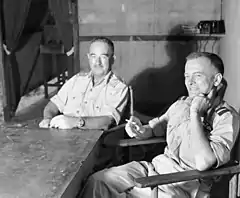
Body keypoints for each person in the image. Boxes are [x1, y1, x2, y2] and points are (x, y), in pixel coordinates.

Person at [80, 52, 240, 198]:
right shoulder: (181, 104)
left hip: (182, 184)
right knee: (98, 181)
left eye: (197, 76)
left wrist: (195, 114)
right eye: (186, 76)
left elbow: (204, 162)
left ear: (216, 80)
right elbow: (156, 128)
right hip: (155, 169)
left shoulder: (226, 117)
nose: (190, 82)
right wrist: (140, 130)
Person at [39, 37, 129, 130]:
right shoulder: (76, 80)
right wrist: (48, 119)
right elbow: (53, 105)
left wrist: (75, 122)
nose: (97, 62)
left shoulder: (118, 87)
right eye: (93, 56)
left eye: (103, 57)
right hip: (63, 136)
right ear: (88, 57)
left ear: (112, 59)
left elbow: (107, 122)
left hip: (94, 140)